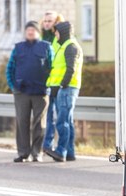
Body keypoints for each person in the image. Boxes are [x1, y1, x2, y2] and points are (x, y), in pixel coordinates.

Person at [6, 21, 54, 163]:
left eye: (33, 29)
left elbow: (53, 68)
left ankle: (37, 153)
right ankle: (23, 153)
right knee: (22, 122)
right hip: (22, 92)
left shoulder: (46, 47)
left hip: (41, 92)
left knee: (39, 124)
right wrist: (13, 86)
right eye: (28, 29)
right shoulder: (18, 48)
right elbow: (10, 68)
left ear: (38, 32)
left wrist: (49, 85)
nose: (30, 32)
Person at [44, 21, 83, 162]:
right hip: (66, 88)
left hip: (67, 88)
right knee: (68, 121)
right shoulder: (66, 46)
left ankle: (61, 151)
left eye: (57, 32)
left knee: (63, 122)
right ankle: (70, 152)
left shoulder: (71, 46)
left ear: (63, 32)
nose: (55, 34)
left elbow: (70, 69)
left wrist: (62, 85)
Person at [41, 11, 65, 152]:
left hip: (56, 82)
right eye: (45, 21)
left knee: (53, 115)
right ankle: (45, 144)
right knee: (46, 115)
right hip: (44, 82)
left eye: (50, 21)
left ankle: (48, 144)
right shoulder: (41, 37)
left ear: (56, 22)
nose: (46, 23)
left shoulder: (57, 38)